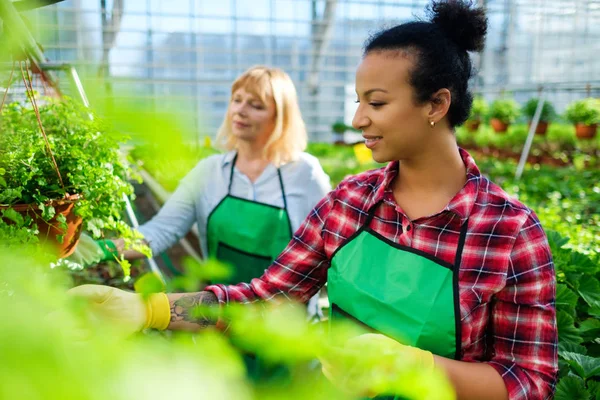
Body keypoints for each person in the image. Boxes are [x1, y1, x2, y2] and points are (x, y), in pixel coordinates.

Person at [68, 2, 558, 399]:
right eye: (358, 100)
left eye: (377, 102)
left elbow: (530, 380)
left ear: (436, 104)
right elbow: (267, 298)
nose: (359, 119)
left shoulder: (509, 232)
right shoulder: (350, 202)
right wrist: (150, 311)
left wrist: (419, 367)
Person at [70, 65, 331, 316]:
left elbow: (331, 247)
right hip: (223, 314)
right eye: (237, 100)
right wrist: (99, 249)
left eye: (256, 105)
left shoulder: (305, 173)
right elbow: (162, 230)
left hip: (288, 324)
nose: (240, 111)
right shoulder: (210, 172)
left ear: (280, 117)